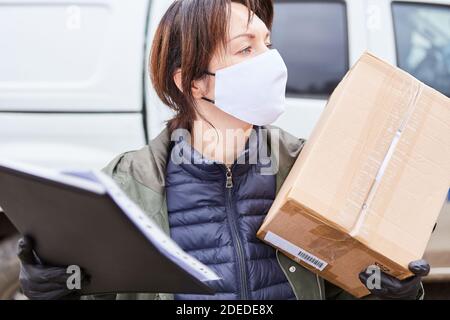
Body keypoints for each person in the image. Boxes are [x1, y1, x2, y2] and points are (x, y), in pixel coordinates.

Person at [17, 0, 429, 300]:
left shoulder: (305, 167)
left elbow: (341, 286)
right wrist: (55, 290)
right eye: (246, 48)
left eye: (268, 43)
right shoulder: (126, 184)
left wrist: (387, 292)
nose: (272, 62)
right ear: (193, 82)